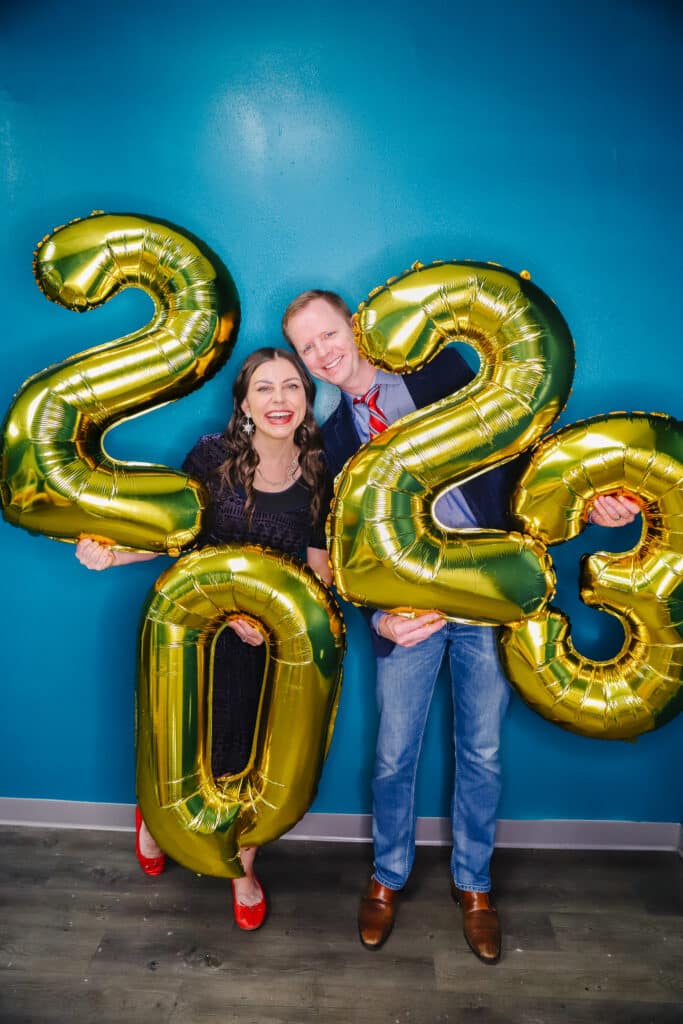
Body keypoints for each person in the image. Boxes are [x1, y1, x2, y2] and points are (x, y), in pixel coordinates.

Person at [283, 289, 639, 963]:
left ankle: (473, 884)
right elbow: (345, 548)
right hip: (409, 615)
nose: (323, 352)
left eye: (328, 334)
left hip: (483, 598)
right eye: (308, 347)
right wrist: (380, 617)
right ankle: (387, 876)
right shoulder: (328, 440)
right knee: (393, 757)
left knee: (481, 751)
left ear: (354, 327)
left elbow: (520, 452)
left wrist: (587, 502)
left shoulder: (443, 373)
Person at [76, 347, 333, 931]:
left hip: (268, 650)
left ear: (307, 399)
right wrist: (112, 556)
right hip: (192, 643)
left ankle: (242, 870)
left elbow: (319, 572)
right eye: (264, 389)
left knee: (251, 760)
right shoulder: (212, 456)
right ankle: (156, 819)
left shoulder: (321, 470)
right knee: (184, 741)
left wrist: (273, 622)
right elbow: (178, 537)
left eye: (291, 387)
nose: (279, 400)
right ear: (243, 402)